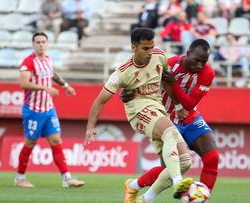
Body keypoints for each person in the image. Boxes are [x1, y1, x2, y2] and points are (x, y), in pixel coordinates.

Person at [83, 28, 192, 201]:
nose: (150, 52)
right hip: (138, 113)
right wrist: (90, 127)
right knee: (170, 134)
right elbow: (99, 101)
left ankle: (140, 194)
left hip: (157, 109)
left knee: (185, 161)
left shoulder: (160, 55)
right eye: (145, 49)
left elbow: (167, 80)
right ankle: (179, 183)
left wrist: (178, 105)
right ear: (133, 48)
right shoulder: (122, 72)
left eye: (152, 47)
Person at [122, 39, 219, 203]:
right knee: (169, 169)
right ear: (187, 53)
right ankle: (135, 187)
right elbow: (140, 78)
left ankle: (202, 197)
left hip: (189, 117)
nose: (200, 65)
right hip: (164, 118)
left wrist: (173, 83)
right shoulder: (169, 64)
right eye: (196, 60)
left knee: (212, 158)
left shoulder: (207, 73)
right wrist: (126, 92)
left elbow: (189, 104)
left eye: (204, 62)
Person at [14, 32, 85, 188]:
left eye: (43, 42)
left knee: (56, 141)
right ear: (33, 44)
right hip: (33, 110)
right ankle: (20, 178)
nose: (41, 44)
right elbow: (24, 84)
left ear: (47, 44)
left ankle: (67, 177)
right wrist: (45, 88)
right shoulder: (28, 62)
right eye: (38, 42)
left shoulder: (48, 59)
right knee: (30, 142)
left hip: (49, 109)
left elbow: (52, 74)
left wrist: (65, 85)